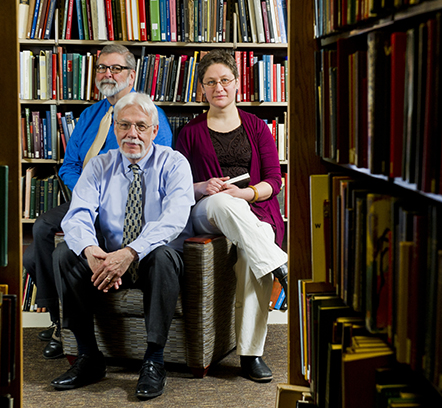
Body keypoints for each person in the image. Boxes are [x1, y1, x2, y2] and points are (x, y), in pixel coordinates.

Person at [22, 44, 173, 359]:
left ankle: (66, 325)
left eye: (116, 68)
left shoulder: (147, 114)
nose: (108, 74)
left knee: (47, 249)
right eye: (102, 68)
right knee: (40, 234)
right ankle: (57, 322)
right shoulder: (91, 115)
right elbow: (69, 165)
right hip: (86, 197)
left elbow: (154, 164)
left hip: (128, 203)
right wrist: (87, 191)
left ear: (132, 75)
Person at [50, 92, 194, 400]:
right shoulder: (99, 166)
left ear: (154, 131)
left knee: (164, 255)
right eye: (124, 125)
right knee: (64, 252)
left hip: (152, 261)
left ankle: (154, 360)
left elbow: (174, 220)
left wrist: (130, 253)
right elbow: (76, 217)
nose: (132, 134)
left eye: (141, 126)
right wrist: (91, 251)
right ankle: (89, 357)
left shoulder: (174, 163)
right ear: (115, 128)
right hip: (108, 258)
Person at [175, 49, 288, 383]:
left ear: (237, 84)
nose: (218, 87)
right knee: (225, 204)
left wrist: (246, 193)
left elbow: (273, 181)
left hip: (252, 210)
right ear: (201, 89)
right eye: (211, 82)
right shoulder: (189, 133)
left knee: (257, 247)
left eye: (225, 80)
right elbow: (175, 186)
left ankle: (251, 354)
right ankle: (281, 264)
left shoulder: (255, 126)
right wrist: (202, 186)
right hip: (208, 211)